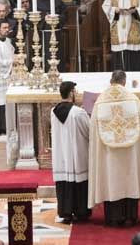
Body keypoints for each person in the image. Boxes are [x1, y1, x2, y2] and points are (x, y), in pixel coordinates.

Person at [88, 70, 140, 226]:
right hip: (130, 154)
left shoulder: (100, 101)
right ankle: (130, 217)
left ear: (111, 81)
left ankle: (114, 218)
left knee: (112, 181)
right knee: (130, 180)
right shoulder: (133, 99)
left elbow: (92, 129)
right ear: (124, 81)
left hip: (109, 155)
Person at [51, 81, 90, 224]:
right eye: (75, 91)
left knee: (64, 183)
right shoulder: (78, 113)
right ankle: (81, 212)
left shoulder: (53, 111)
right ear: (71, 93)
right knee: (78, 183)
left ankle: (65, 212)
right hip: (76, 155)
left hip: (61, 156)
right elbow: (89, 132)